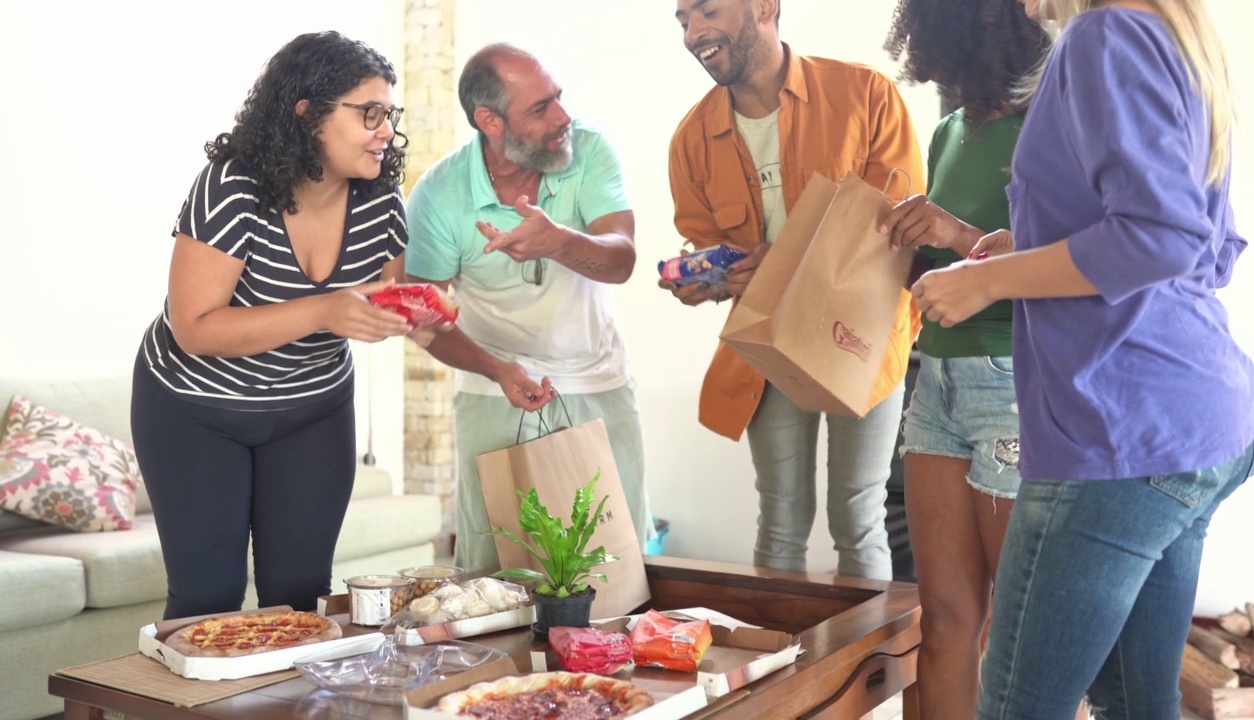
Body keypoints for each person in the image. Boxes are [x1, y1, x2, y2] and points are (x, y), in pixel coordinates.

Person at [909, 0, 1254, 716]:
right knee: (1136, 704)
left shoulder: (1105, 34)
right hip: (1197, 424)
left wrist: (985, 281)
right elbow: (1205, 249)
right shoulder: (1175, 36)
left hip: (1119, 432)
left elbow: (1160, 237)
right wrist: (1024, 245)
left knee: (1016, 705)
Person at [130, 31, 434, 620]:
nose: (385, 130)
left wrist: (425, 314)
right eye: (369, 112)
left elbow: (388, 301)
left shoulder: (379, 199)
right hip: (196, 409)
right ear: (307, 113)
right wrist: (324, 310)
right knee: (206, 600)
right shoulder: (232, 186)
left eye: (389, 114)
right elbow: (194, 327)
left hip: (312, 409)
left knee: (299, 599)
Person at [668, 0, 924, 579]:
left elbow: (900, 222)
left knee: (858, 515)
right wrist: (706, 280)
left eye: (707, 12)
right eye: (684, 21)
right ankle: (786, 663)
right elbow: (705, 241)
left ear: (765, 7)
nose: (694, 33)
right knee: (780, 518)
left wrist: (777, 262)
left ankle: (869, 667)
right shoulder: (692, 138)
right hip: (768, 345)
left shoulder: (866, 95)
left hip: (864, 336)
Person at [404, 43, 652, 571]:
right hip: (493, 386)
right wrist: (497, 370)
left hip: (596, 380)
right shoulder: (440, 194)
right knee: (497, 571)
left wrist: (557, 241)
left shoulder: (589, 149)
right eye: (540, 108)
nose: (562, 117)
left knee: (615, 567)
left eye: (557, 98)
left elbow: (623, 260)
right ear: (489, 121)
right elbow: (421, 319)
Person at [879, 1, 1051, 716]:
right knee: (945, 619)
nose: (929, 68)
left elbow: (1058, 265)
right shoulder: (950, 130)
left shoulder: (1048, 123)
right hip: (936, 385)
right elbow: (945, 261)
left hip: (1009, 381)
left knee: (1026, 632)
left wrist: (952, 229)